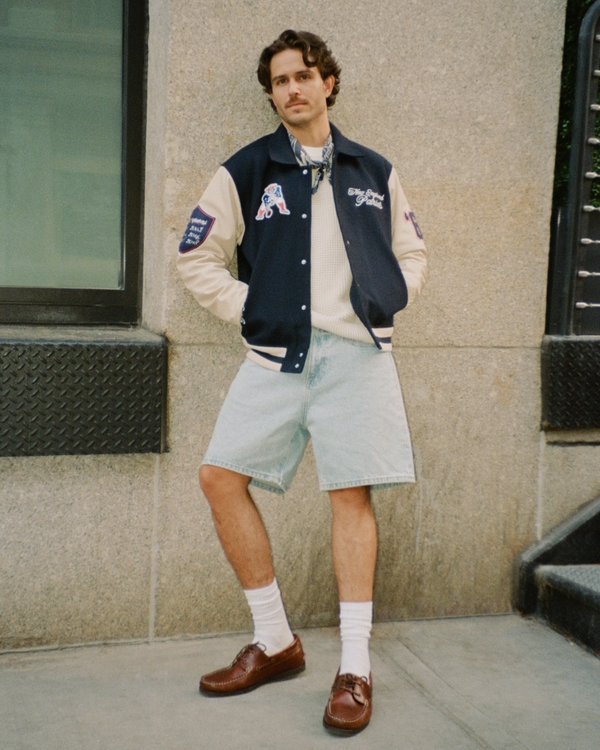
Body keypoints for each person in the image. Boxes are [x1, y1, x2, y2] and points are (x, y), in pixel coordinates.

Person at [177, 29, 427, 736]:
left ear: (328, 84)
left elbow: (412, 251)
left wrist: (384, 299)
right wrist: (249, 308)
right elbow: (197, 257)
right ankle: (275, 641)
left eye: (303, 76)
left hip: (357, 356)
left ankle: (354, 668)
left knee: (350, 493)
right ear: (272, 95)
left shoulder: (374, 170)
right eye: (279, 81)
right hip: (274, 355)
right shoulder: (246, 171)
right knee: (220, 477)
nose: (291, 89)